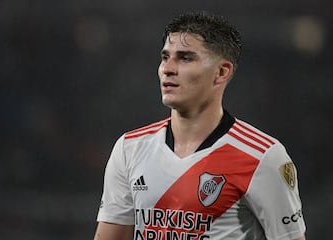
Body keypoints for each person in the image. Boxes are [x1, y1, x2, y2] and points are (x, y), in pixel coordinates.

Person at [94, 11, 306, 240]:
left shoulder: (262, 156)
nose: (168, 68)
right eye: (165, 57)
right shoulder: (130, 148)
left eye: (185, 58)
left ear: (221, 72)